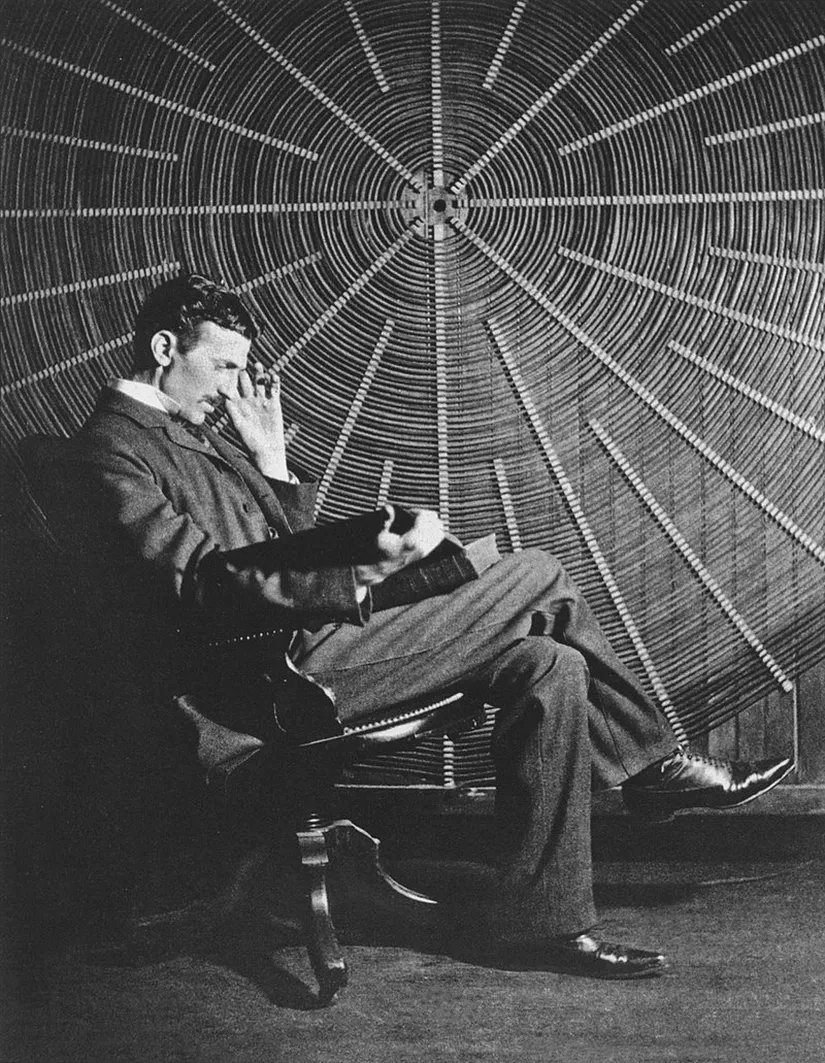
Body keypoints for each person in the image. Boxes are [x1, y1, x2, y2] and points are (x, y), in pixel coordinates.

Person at [62, 273, 791, 979]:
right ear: (165, 348)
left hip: (315, 641)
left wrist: (271, 462)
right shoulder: (111, 449)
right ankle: (652, 767)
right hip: (263, 678)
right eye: (223, 366)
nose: (232, 388)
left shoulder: (196, 434)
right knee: (538, 573)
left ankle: (544, 920)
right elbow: (201, 586)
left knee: (549, 662)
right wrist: (361, 572)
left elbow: (281, 552)